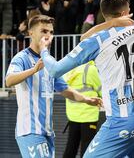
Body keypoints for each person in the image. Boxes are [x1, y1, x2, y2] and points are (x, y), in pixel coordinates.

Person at [39, 0, 134, 157]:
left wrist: (43, 51)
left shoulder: (96, 40)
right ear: (124, 14)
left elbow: (55, 69)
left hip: (120, 122)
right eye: (129, 11)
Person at [5, 15, 102, 158]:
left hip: (47, 132)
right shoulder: (22, 57)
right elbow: (9, 80)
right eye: (44, 31)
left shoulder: (49, 61)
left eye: (51, 32)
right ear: (31, 33)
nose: (48, 36)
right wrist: (33, 70)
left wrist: (86, 99)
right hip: (30, 130)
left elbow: (64, 89)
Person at [63, 61, 102, 158]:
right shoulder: (91, 69)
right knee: (87, 148)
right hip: (88, 115)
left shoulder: (70, 68)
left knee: (71, 147)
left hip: (73, 115)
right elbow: (100, 89)